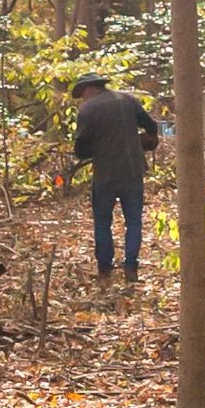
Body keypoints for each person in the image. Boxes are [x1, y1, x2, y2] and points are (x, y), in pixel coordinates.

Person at [70, 71, 160, 285]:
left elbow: (80, 149)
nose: (82, 98)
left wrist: (98, 148)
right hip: (132, 170)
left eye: (82, 94)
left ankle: (105, 270)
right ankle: (131, 267)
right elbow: (152, 126)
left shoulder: (87, 109)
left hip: (105, 174)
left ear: (88, 89)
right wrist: (142, 141)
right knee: (134, 221)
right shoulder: (127, 99)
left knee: (102, 222)